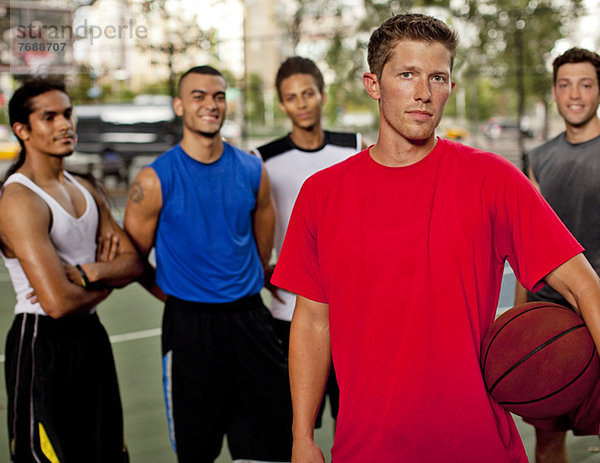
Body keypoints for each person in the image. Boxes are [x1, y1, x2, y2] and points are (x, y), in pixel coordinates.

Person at [271, 13, 600, 463]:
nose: (424, 92)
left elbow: (585, 286)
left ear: (450, 87)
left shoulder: (493, 179)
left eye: (438, 77)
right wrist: (302, 436)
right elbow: (312, 321)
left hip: (479, 446)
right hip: (367, 448)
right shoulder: (322, 194)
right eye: (407, 75)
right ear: (373, 84)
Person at [123, 65, 292, 462]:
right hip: (190, 330)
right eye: (198, 96)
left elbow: (260, 247)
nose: (210, 105)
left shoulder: (252, 170)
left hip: (251, 321)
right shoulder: (153, 180)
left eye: (218, 96)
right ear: (180, 106)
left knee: (269, 445)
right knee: (196, 450)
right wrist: (177, 296)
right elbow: (133, 260)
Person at [0, 78, 143, 462]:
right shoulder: (19, 199)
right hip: (41, 340)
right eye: (49, 117)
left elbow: (133, 263)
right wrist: (110, 277)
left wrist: (86, 273)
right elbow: (58, 303)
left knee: (104, 452)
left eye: (67, 114)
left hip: (91, 337)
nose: (65, 124)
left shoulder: (85, 186)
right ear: (22, 130)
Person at [252, 56, 364, 431]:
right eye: (291, 97)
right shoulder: (263, 160)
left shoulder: (355, 146)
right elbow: (256, 231)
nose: (301, 103)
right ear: (282, 104)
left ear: (322, 95)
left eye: (308, 93)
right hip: (292, 314)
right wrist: (267, 274)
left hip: (354, 313)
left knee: (359, 423)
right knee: (299, 429)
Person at [513, 47, 600, 463]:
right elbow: (526, 246)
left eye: (586, 84)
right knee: (548, 442)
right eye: (565, 85)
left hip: (598, 317)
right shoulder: (540, 159)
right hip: (549, 324)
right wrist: (517, 315)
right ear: (554, 92)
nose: (575, 94)